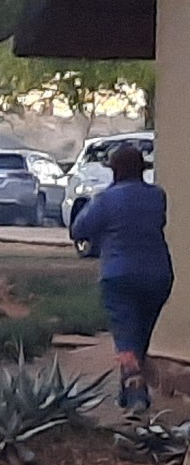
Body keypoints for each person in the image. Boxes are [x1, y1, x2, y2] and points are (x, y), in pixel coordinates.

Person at [71, 143, 173, 412]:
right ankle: (127, 391)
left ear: (114, 170)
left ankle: (136, 395)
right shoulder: (157, 196)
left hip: (118, 276)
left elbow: (79, 229)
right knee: (139, 338)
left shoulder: (106, 199)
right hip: (158, 275)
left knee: (127, 340)